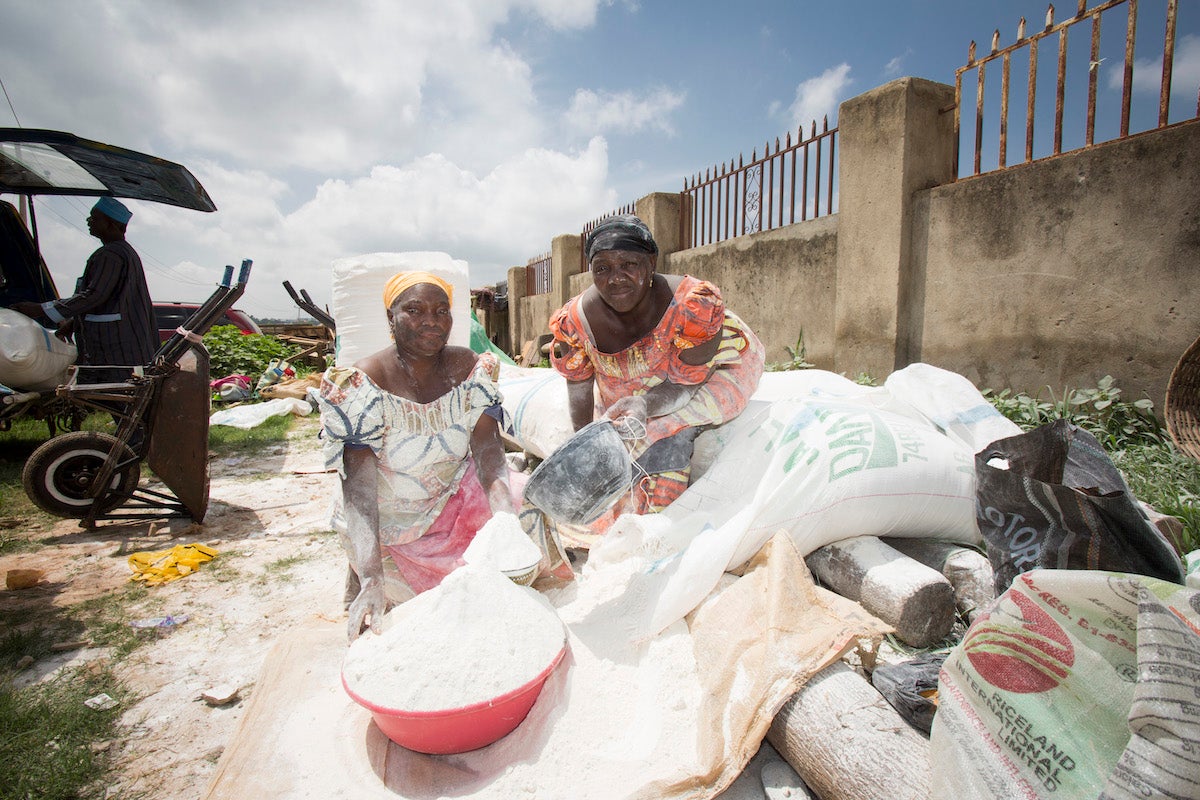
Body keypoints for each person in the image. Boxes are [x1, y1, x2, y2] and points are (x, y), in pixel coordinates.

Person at [318, 270, 571, 640]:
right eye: (415, 310)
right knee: (442, 609)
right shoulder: (363, 383)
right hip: (391, 522)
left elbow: (487, 449)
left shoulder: (467, 367)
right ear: (391, 317)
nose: (431, 322)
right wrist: (371, 575)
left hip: (453, 495)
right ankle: (367, 579)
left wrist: (502, 518)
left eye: (441, 311)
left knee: (525, 506)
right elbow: (357, 488)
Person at [548, 214, 765, 542]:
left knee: (662, 431)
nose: (615, 279)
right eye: (602, 268)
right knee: (616, 436)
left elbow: (683, 384)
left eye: (629, 264)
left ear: (651, 264)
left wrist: (645, 405)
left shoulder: (694, 306)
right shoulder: (576, 321)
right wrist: (586, 441)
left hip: (708, 374)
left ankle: (652, 529)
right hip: (637, 382)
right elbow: (578, 383)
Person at [9, 196, 157, 384]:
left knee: (118, 393)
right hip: (120, 342)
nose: (89, 221)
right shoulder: (122, 252)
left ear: (112, 225)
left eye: (95, 218)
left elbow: (95, 296)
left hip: (114, 343)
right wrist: (72, 323)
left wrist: (41, 309)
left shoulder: (110, 254)